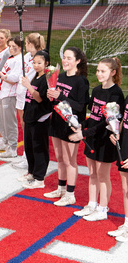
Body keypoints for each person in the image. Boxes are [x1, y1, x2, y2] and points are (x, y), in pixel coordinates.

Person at [71, 57, 124, 221]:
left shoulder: (116, 94)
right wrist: (81, 124)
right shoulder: (96, 90)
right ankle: (92, 204)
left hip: (105, 140)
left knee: (103, 175)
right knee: (92, 173)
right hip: (92, 138)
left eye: (103, 71)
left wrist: (85, 133)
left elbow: (105, 122)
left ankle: (102, 208)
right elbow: (93, 115)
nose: (99, 74)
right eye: (98, 71)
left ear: (113, 72)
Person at [45, 47, 90, 207]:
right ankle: (61, 188)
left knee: (70, 160)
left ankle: (70, 194)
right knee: (60, 158)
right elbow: (57, 100)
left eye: (69, 58)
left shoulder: (81, 80)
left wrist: (61, 96)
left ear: (78, 61)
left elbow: (80, 106)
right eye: (64, 57)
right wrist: (51, 96)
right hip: (57, 121)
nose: (65, 60)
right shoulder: (60, 76)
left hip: (70, 124)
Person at [12, 32, 45, 170]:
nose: (25, 46)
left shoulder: (40, 58)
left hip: (29, 95)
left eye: (26, 43)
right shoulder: (26, 57)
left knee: (28, 127)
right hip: (20, 93)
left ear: (31, 44)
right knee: (23, 125)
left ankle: (28, 157)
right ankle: (26, 155)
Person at [19, 51, 52, 189]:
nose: (36, 65)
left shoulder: (47, 79)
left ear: (46, 64)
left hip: (40, 119)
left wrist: (28, 86)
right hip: (30, 117)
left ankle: (40, 178)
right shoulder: (35, 77)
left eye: (39, 63)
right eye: (34, 62)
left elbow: (39, 98)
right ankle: (31, 172)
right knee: (29, 147)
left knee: (39, 148)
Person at [0, 36, 23, 158]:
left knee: (9, 121)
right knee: (2, 120)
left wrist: (0, 75)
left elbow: (14, 78)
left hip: (10, 94)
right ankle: (5, 142)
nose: (11, 49)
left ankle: (12, 147)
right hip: (4, 92)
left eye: (14, 47)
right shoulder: (12, 58)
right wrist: (0, 91)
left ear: (20, 47)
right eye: (10, 46)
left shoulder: (19, 60)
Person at [109, 95, 128, 241]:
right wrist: (116, 133)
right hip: (125, 146)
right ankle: (127, 224)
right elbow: (123, 121)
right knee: (125, 188)